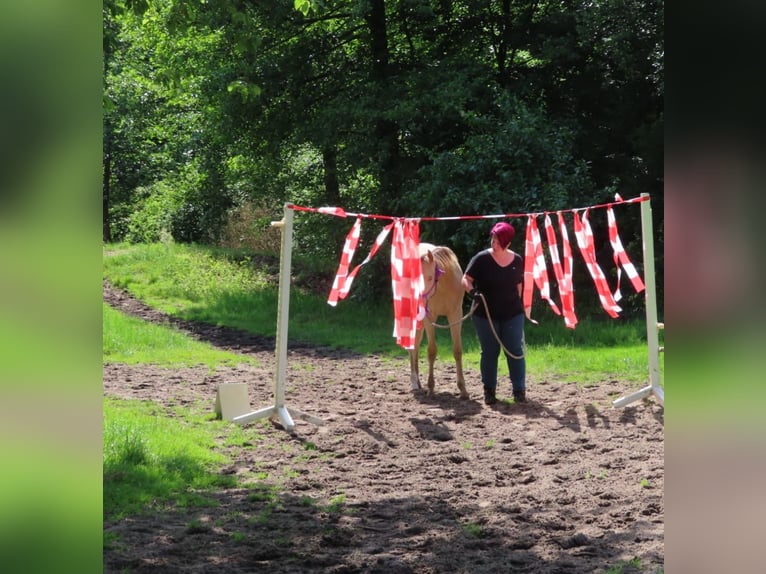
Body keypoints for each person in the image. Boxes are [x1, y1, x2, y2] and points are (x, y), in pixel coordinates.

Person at [461, 221, 526, 405]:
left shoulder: (517, 260)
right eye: (493, 239)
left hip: (512, 313)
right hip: (484, 314)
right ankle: (489, 391)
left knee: (515, 350)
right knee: (490, 352)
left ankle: (519, 391)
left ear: (507, 243)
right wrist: (473, 292)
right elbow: (466, 279)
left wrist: (516, 305)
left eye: (498, 241)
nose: (494, 243)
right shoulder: (481, 259)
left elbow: (519, 286)